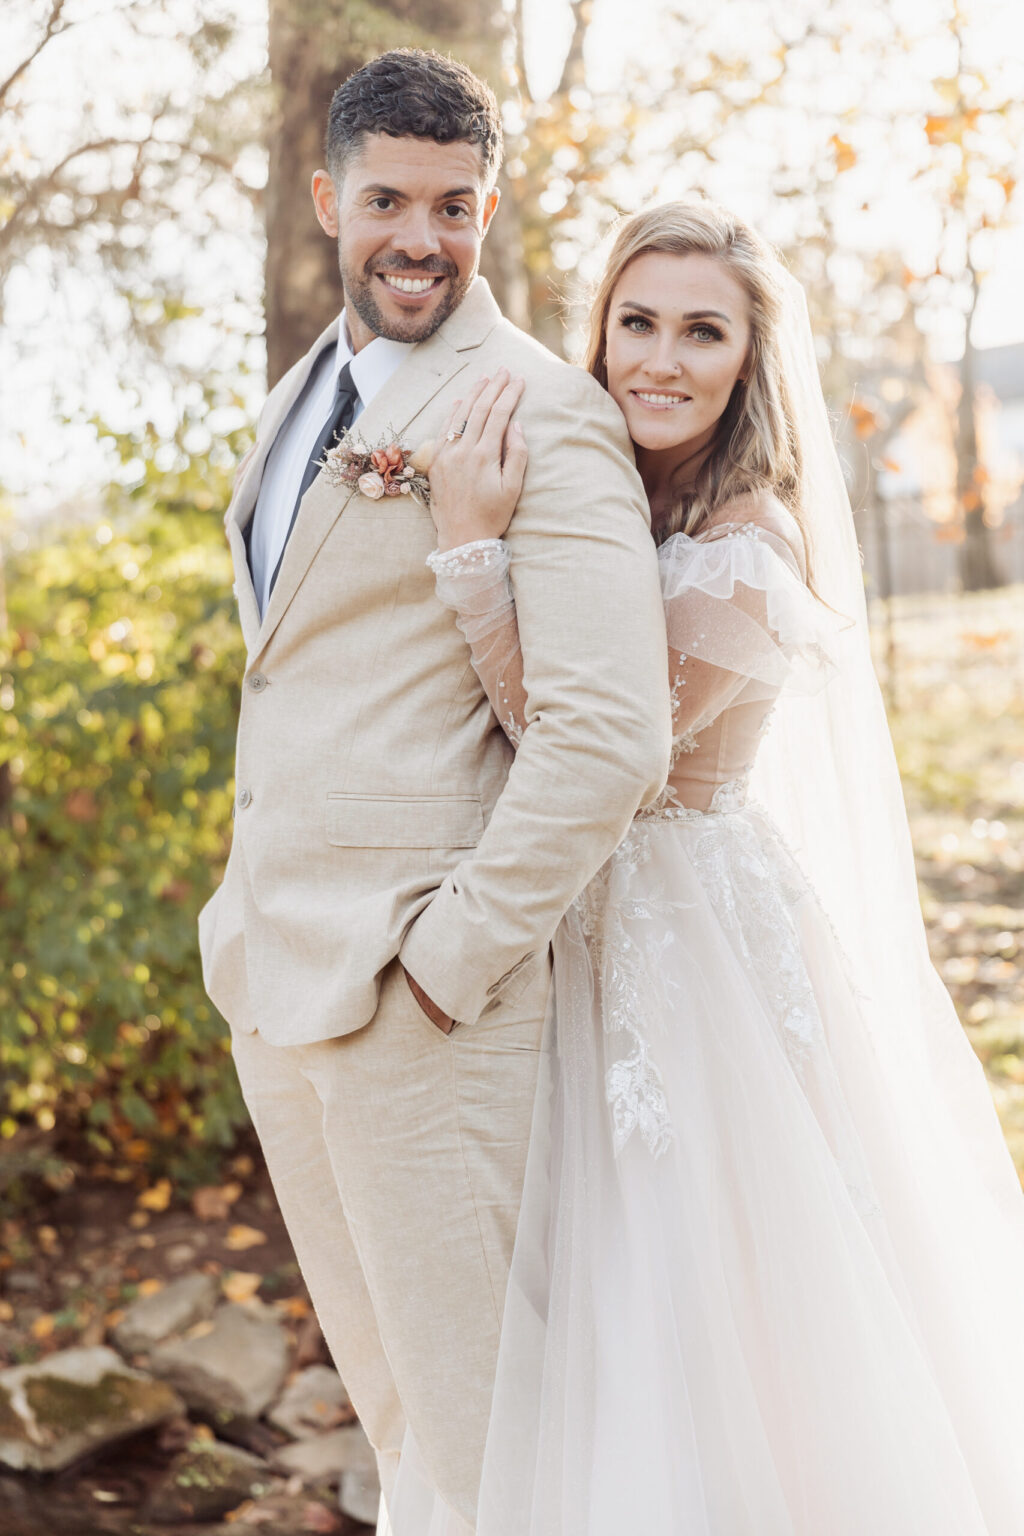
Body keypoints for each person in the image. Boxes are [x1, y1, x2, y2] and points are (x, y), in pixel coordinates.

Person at [388, 201, 1024, 1535]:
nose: (658, 358)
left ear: (749, 360)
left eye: (700, 330)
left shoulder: (747, 541)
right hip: (572, 930)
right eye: (636, 321)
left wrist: (471, 554)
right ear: (600, 329)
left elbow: (586, 747)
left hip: (692, 957)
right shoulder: (609, 492)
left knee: (707, 1306)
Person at [197, 49, 672, 1533]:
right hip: (277, 980)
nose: (423, 237)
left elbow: (608, 737)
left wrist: (450, 964)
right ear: (329, 197)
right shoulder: (299, 400)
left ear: (486, 210)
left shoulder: (545, 410)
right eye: (392, 199)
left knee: (491, 1447)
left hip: (422, 1001)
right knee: (406, 1431)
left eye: (457, 206)